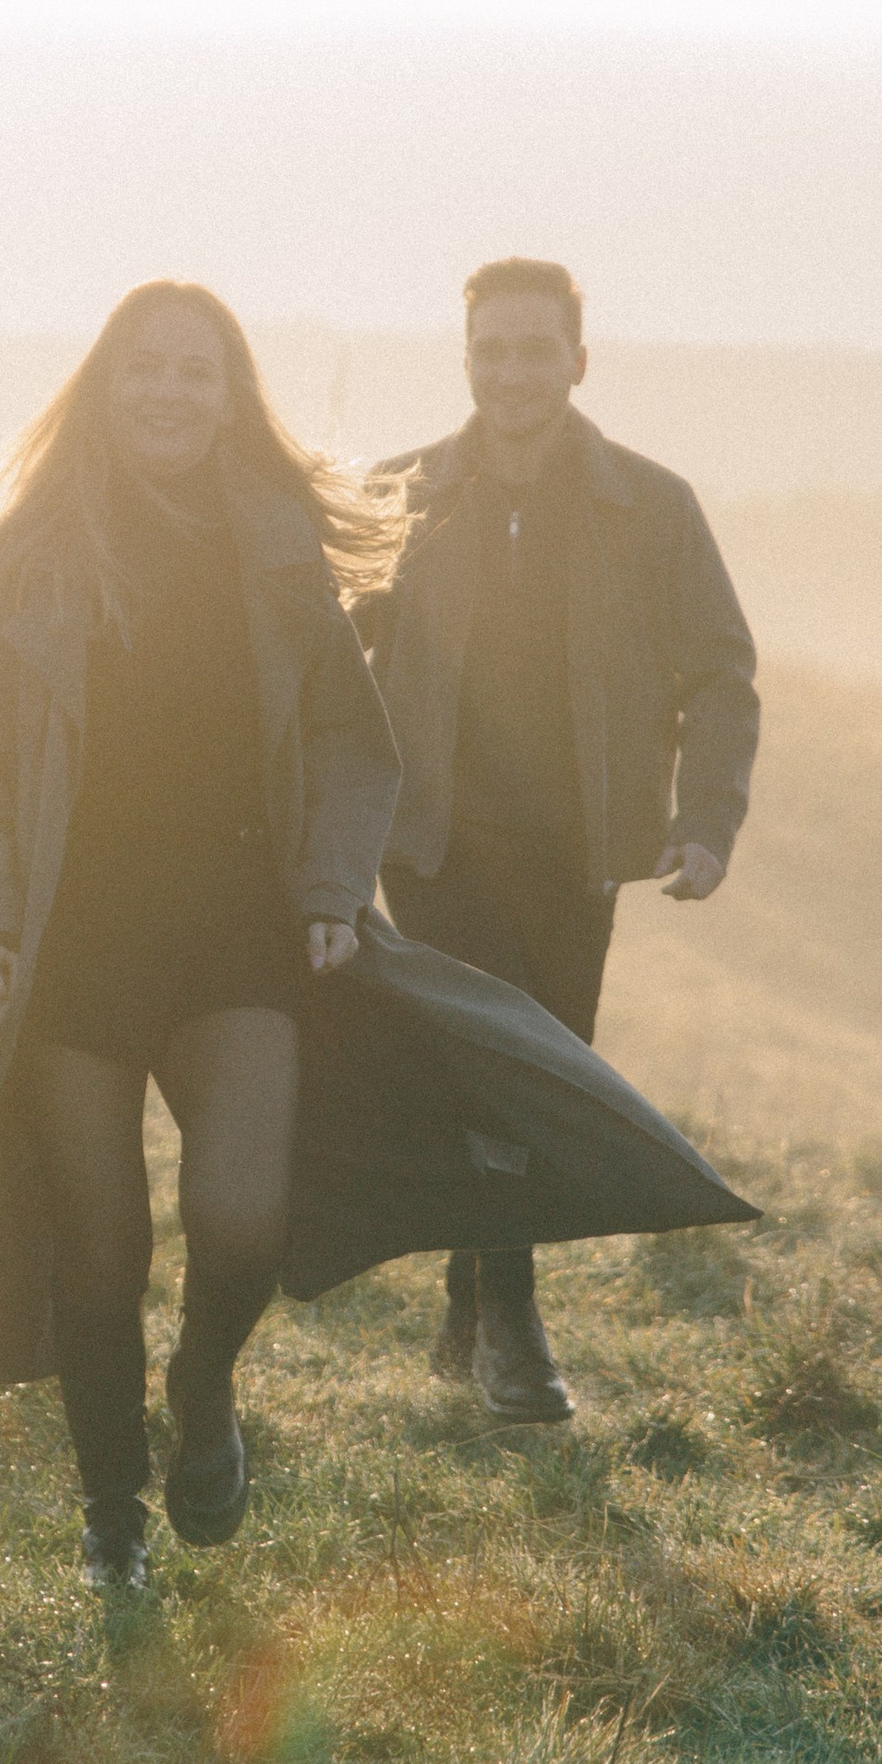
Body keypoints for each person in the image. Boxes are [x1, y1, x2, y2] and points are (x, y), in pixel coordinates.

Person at [0, 281, 757, 1589]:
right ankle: (113, 1516)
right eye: (146, 371)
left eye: (197, 374)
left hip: (242, 936)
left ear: (231, 399)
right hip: (76, 951)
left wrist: (334, 890)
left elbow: (349, 735)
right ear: (106, 390)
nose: (170, 394)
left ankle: (204, 1386)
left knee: (241, 1217)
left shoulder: (277, 549)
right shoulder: (32, 560)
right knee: (100, 1248)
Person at [366, 257, 760, 1423]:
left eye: (535, 351)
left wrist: (703, 826)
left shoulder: (650, 504)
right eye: (490, 351)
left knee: (540, 1071)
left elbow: (721, 679)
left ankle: (470, 1293)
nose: (511, 374)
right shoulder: (399, 496)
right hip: (430, 845)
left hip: (578, 849)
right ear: (467, 359)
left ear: (577, 363)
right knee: (493, 1076)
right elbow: (323, 670)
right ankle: (515, 1326)